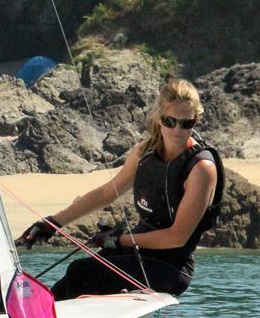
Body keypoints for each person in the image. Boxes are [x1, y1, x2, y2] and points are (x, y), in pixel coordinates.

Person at [17, 77, 223, 300]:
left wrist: (119, 240)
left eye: (187, 123)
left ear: (196, 120)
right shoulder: (145, 152)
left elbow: (177, 237)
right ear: (158, 118)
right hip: (139, 251)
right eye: (170, 121)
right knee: (75, 275)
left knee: (82, 271)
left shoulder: (201, 169)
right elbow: (108, 192)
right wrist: (53, 223)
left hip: (170, 268)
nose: (177, 130)